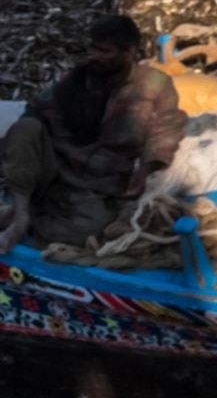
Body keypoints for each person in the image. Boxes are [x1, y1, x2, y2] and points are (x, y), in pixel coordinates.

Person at [2, 15, 186, 246]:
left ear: (129, 52)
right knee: (25, 128)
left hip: (100, 182)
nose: (94, 56)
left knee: (84, 234)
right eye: (93, 49)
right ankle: (20, 215)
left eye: (104, 51)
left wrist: (144, 172)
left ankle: (33, 213)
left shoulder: (154, 84)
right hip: (58, 166)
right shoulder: (77, 79)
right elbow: (37, 108)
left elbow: (167, 128)